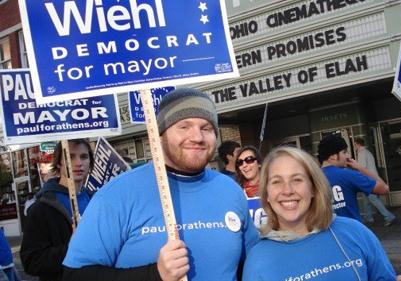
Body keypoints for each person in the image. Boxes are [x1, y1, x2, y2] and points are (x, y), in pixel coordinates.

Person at [62, 88, 259, 280]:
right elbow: (75, 275)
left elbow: (251, 264)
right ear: (160, 135)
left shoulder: (229, 189)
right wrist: (154, 274)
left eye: (206, 128)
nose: (197, 137)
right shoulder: (117, 194)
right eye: (184, 126)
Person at [242, 146, 401, 281]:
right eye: (276, 181)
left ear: (313, 188)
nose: (287, 190)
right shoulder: (258, 259)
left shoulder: (355, 233)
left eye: (297, 179)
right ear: (266, 195)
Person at [20, 139, 93, 281]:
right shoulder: (42, 207)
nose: (78, 163)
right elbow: (32, 262)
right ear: (59, 163)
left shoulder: (97, 200)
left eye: (84, 156)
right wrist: (71, 248)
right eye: (70, 157)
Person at [318, 135, 389, 222]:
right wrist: (359, 167)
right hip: (352, 233)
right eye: (344, 152)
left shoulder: (311, 179)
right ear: (333, 156)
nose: (348, 155)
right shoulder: (348, 174)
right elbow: (384, 189)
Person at [353, 138, 396, 226]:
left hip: (368, 180)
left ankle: (388, 216)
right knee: (367, 200)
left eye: (354, 144)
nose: (354, 146)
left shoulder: (361, 153)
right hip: (374, 178)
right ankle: (368, 218)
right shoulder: (368, 152)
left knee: (372, 199)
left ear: (358, 144)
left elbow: (362, 168)